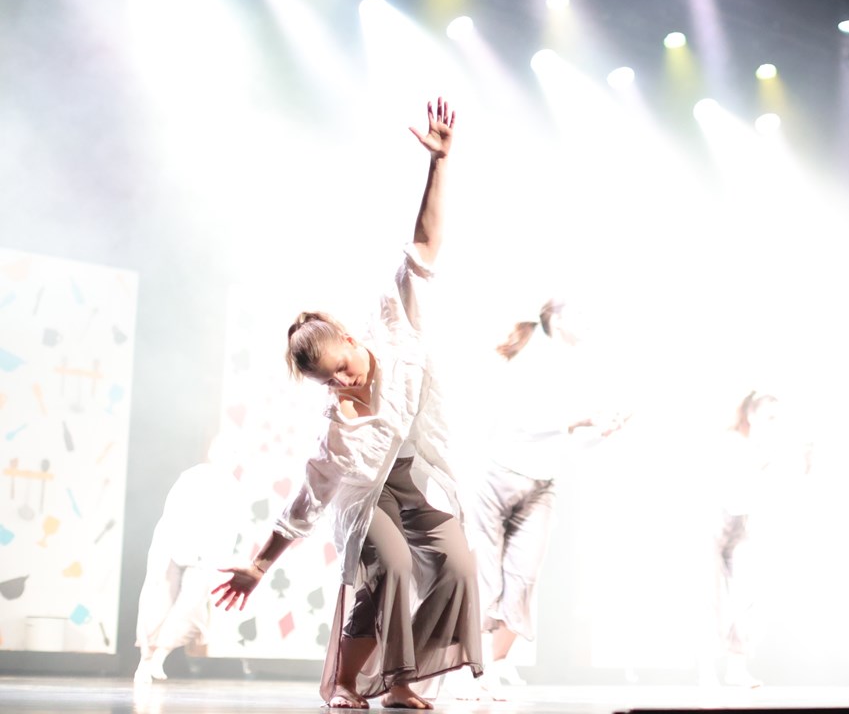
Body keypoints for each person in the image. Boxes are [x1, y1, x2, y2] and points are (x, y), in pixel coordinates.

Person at [211, 98, 483, 710]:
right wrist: (259, 565)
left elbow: (424, 244)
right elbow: (307, 499)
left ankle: (397, 678)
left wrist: (438, 163)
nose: (341, 383)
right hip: (367, 498)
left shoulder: (392, 321)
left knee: (460, 566)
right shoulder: (337, 427)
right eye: (327, 382)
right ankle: (349, 681)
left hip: (412, 477)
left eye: (342, 367)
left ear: (352, 339)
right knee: (390, 564)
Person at [464, 299, 627, 688]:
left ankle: (496, 661)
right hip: (499, 476)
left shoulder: (580, 366)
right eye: (582, 313)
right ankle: (470, 666)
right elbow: (525, 423)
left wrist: (602, 433)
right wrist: (580, 419)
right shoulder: (532, 353)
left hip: (541, 484)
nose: (590, 321)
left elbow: (569, 442)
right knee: (487, 577)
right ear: (556, 316)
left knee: (524, 577)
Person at [134, 435, 239, 684]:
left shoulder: (231, 487)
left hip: (206, 554)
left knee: (190, 607)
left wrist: (219, 558)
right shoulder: (193, 476)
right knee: (158, 601)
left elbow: (229, 528)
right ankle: (145, 660)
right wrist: (171, 546)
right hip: (172, 544)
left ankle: (159, 655)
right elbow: (172, 512)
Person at [707, 390, 784, 689]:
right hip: (713, 525)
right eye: (769, 417)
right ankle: (707, 670)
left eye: (777, 418)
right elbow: (732, 487)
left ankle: (736, 668)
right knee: (712, 600)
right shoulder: (732, 442)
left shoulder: (768, 448)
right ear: (751, 415)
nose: (774, 423)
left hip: (741, 527)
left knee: (747, 596)